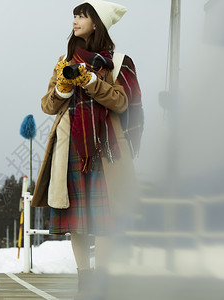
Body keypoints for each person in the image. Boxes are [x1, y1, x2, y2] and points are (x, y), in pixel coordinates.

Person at [31, 1, 143, 299]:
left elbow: (121, 102)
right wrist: (64, 87)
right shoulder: (64, 60)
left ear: (97, 23)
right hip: (70, 148)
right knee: (76, 221)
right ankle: (85, 279)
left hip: (107, 150)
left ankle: (103, 279)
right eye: (74, 16)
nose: (75, 20)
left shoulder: (119, 63)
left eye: (82, 15)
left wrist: (92, 81)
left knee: (106, 219)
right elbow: (47, 105)